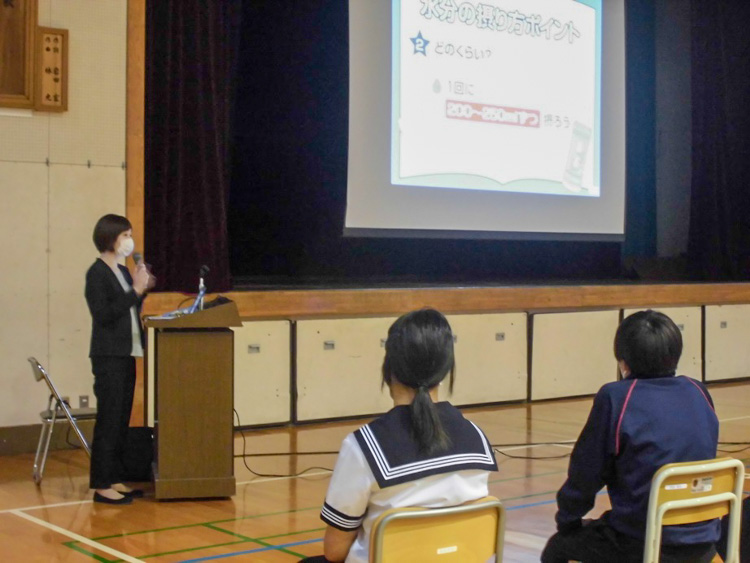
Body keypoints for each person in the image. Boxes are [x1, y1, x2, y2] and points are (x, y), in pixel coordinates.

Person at [300, 308, 498, 563]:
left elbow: (335, 550)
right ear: (446, 370)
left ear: (389, 366)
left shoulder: (365, 446)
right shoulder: (476, 438)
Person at [541, 310, 720, 563]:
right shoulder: (698, 390)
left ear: (623, 360)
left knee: (558, 548)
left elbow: (587, 472)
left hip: (642, 543)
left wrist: (568, 520)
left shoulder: (616, 397)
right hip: (703, 541)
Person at [85, 214, 154, 505]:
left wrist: (142, 287)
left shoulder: (123, 271)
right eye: (125, 235)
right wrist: (135, 290)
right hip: (109, 355)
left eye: (130, 234)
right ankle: (101, 485)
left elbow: (129, 308)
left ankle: (114, 477)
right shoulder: (97, 273)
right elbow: (105, 314)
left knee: (121, 419)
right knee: (109, 419)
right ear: (110, 237)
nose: (129, 240)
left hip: (128, 352)